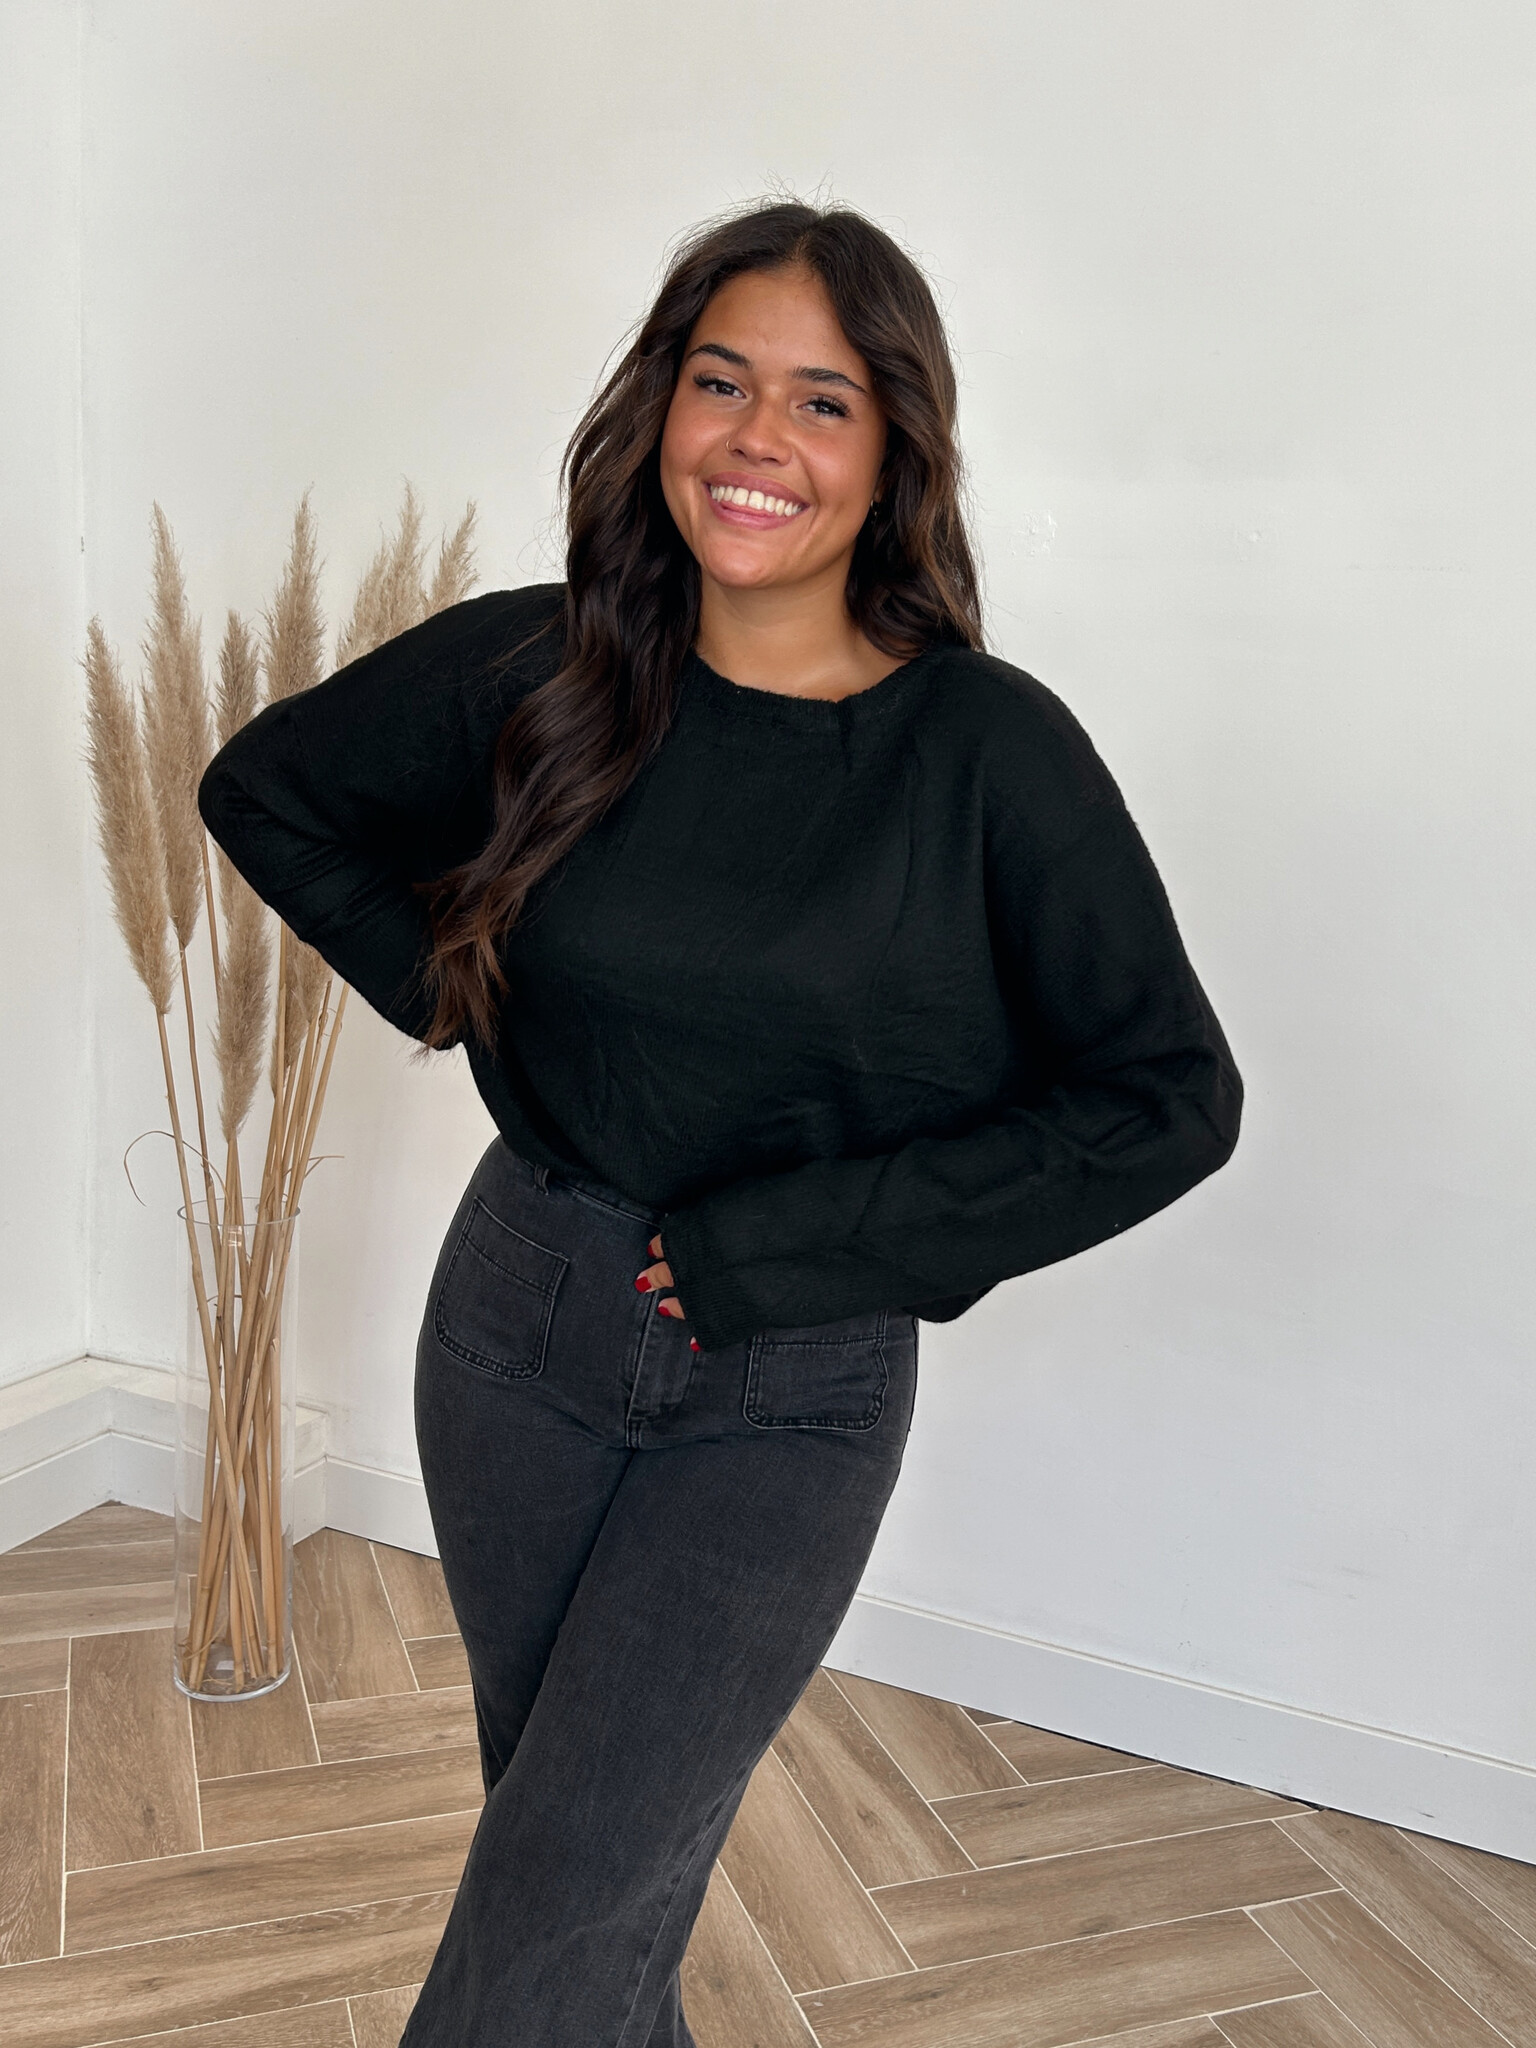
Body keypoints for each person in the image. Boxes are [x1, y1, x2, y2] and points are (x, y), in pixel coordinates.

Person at [199, 196, 1242, 2048]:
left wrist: (789, 1248)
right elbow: (264, 787)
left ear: (896, 448)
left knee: (567, 1898)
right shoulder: (542, 669)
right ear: (660, 408)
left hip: (792, 1382)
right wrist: (455, 987)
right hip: (515, 1324)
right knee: (581, 1887)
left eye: (824, 401)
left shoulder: (985, 751)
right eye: (721, 381)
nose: (759, 438)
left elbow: (1167, 1097)